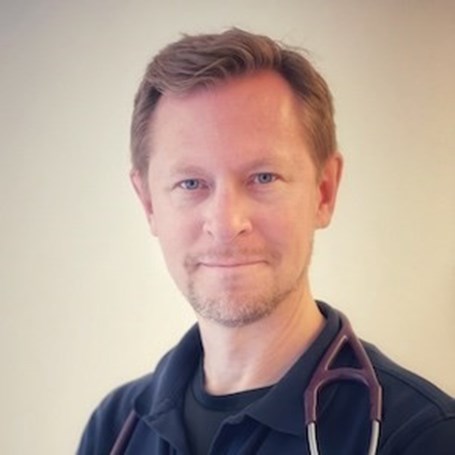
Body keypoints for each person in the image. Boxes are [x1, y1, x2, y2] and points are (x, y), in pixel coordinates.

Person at [78, 28, 455, 454]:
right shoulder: (114, 429)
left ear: (324, 192)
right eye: (191, 183)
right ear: (148, 203)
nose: (226, 223)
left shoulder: (422, 436)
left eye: (263, 177)